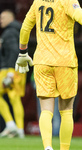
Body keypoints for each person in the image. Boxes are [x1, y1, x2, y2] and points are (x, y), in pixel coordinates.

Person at [15, 0, 82, 150]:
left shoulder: (38, 1)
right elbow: (80, 16)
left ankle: (47, 146)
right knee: (66, 111)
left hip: (42, 61)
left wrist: (23, 52)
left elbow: (25, 27)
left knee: (46, 110)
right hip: (65, 61)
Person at [0, 9, 26, 138]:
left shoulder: (9, 32)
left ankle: (11, 124)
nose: (1, 21)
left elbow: (14, 52)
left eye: (3, 18)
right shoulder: (18, 31)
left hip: (10, 69)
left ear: (10, 18)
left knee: (11, 98)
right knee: (15, 99)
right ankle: (19, 129)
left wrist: (10, 72)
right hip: (19, 69)